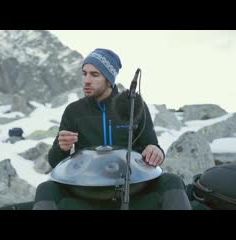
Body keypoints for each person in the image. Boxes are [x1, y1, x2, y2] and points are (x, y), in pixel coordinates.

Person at [33, 48, 191, 210]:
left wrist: (155, 150)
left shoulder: (133, 106)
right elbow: (55, 162)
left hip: (133, 192)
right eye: (84, 73)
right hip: (87, 195)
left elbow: (151, 146)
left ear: (109, 79)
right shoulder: (74, 111)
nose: (86, 80)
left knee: (172, 181)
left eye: (94, 75)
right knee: (46, 189)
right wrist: (62, 148)